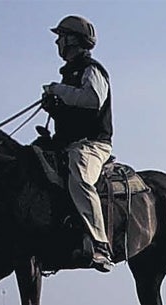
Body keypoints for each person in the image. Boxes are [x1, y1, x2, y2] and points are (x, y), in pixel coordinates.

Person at [41, 15, 115, 273]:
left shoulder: (92, 70)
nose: (58, 42)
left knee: (80, 174)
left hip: (92, 146)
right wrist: (55, 109)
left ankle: (100, 245)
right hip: (68, 143)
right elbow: (73, 111)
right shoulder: (69, 73)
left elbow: (93, 99)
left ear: (72, 39)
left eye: (60, 37)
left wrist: (58, 92)